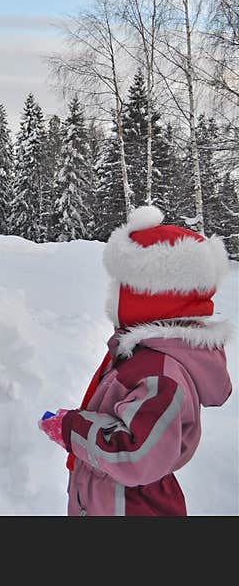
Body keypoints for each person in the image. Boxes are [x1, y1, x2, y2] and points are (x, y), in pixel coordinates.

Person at [39, 206, 233, 516]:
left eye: (121, 285)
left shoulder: (160, 373)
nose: (112, 295)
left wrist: (71, 428)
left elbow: (136, 456)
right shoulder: (143, 354)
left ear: (152, 295)